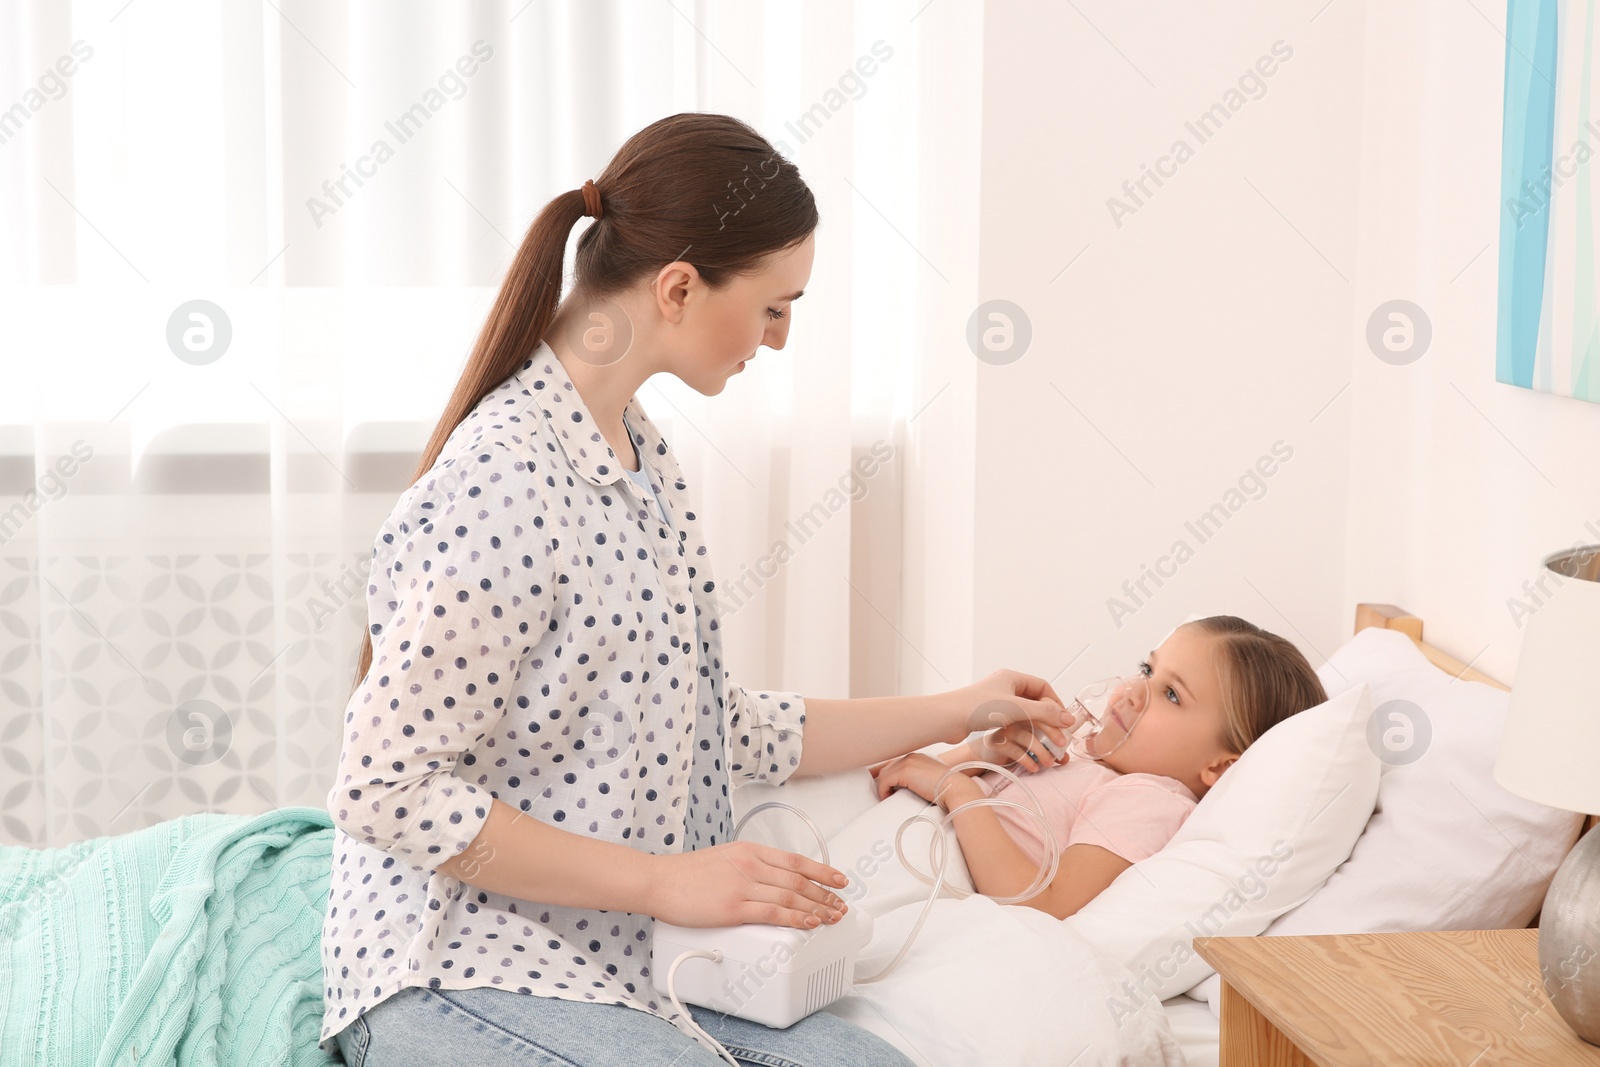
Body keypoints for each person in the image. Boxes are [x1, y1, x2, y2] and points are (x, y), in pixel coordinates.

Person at [319, 112, 1073, 1067]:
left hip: (628, 961)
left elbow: (711, 723)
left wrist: (957, 709)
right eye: (772, 305)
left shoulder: (644, 462)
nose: (783, 335)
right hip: (463, 961)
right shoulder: (501, 484)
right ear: (678, 286)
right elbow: (385, 790)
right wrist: (666, 883)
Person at [869, 615, 1328, 919]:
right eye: (1147, 670)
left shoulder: (1147, 798)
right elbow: (895, 778)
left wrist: (959, 790)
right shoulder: (1083, 754)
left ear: (1221, 768)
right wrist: (983, 754)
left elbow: (1045, 907)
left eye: (1172, 695)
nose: (1132, 691)